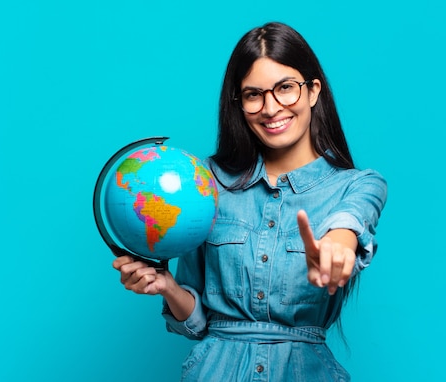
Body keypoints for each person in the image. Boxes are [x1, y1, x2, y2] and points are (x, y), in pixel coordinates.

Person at [113, 22, 387, 381]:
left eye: (286, 88)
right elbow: (196, 325)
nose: (271, 108)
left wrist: (339, 243)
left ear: (313, 91)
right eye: (253, 94)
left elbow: (352, 221)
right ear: (239, 104)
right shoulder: (206, 184)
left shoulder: (358, 185)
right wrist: (168, 287)